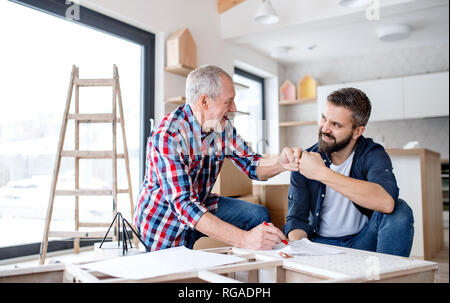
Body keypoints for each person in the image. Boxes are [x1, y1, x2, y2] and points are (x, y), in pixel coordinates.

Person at [135, 64, 301, 252]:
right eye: (228, 101)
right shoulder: (168, 136)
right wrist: (244, 239)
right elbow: (184, 205)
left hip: (200, 201)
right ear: (204, 101)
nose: (234, 108)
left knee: (257, 216)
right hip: (164, 221)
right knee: (176, 275)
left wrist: (280, 163)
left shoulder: (223, 128)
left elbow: (252, 164)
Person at [283, 87, 414, 257]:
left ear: (357, 131)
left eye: (335, 124)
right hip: (319, 244)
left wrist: (321, 173)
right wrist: (301, 252)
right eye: (324, 118)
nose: (324, 128)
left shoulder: (372, 153)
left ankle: (388, 277)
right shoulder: (305, 159)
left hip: (362, 242)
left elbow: (386, 202)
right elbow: (296, 220)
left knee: (400, 210)